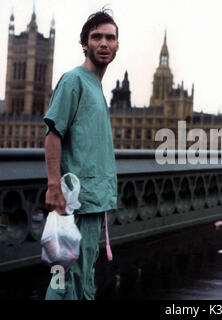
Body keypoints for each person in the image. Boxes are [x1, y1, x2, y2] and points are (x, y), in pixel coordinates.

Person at [43, 9, 119, 300]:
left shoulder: (96, 86)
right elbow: (53, 133)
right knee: (69, 277)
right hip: (76, 200)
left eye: (109, 37)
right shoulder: (74, 80)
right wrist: (53, 186)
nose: (103, 43)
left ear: (116, 46)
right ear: (85, 44)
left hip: (92, 200)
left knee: (75, 275)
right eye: (96, 37)